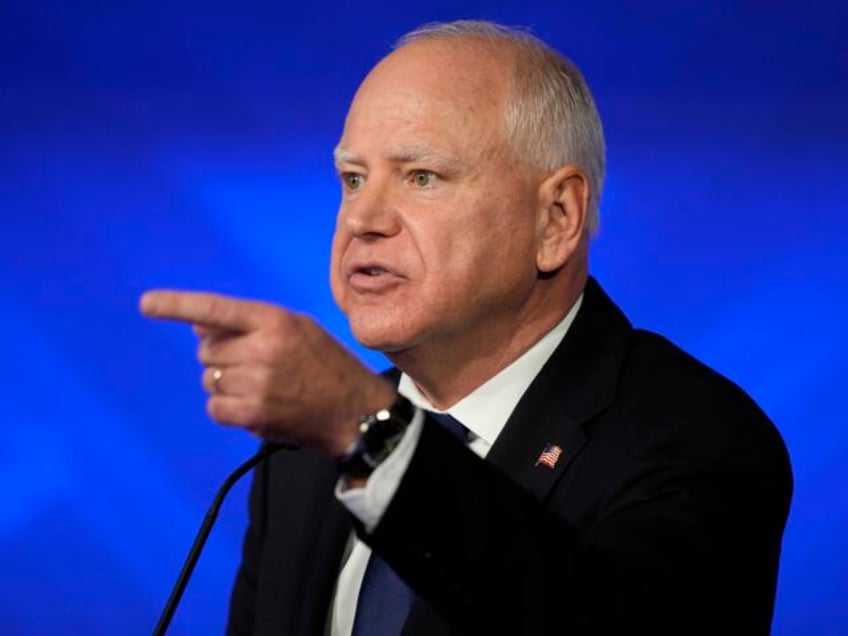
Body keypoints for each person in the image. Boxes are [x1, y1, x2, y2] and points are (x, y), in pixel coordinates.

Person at [141, 20, 792, 636]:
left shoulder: (699, 441)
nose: (363, 219)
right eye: (352, 178)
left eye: (422, 177)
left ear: (556, 219)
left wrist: (371, 436)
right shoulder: (305, 460)